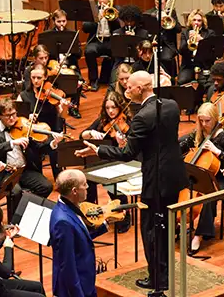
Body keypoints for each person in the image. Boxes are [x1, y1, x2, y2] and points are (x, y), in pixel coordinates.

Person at [75, 71, 188, 290]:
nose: (126, 89)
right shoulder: (172, 106)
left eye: (129, 87)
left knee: (151, 230)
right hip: (175, 175)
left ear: (140, 89)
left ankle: (158, 279)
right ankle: (164, 273)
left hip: (156, 180)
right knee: (165, 227)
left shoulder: (143, 117)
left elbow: (127, 153)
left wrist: (98, 150)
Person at [0, 98, 60, 214]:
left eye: (14, 114)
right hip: (4, 172)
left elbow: (37, 148)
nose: (12, 118)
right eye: (8, 115)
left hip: (23, 170)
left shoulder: (22, 125)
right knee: (16, 191)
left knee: (46, 186)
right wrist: (12, 143)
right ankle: (15, 220)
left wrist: (52, 144)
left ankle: (27, 210)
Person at [180, 102, 224, 252]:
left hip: (220, 179)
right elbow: (180, 146)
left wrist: (217, 152)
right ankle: (178, 223)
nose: (204, 124)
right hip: (199, 174)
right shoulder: (197, 133)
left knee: (208, 197)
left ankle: (199, 235)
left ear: (214, 118)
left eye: (208, 120)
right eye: (201, 120)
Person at [50, 169, 116, 297]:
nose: (87, 187)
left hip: (86, 281)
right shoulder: (62, 222)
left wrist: (105, 223)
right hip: (76, 287)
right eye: (84, 184)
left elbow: (81, 238)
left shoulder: (69, 207)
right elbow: (67, 265)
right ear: (74, 191)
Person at [80, 91, 132, 233]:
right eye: (107, 108)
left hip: (119, 163)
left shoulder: (128, 123)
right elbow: (82, 134)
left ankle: (123, 214)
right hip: (102, 161)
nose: (110, 111)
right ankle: (91, 215)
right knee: (87, 181)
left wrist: (122, 144)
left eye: (113, 107)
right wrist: (90, 133)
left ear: (120, 107)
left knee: (111, 184)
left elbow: (131, 150)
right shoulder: (102, 121)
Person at [18, 63, 68, 179]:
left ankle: (59, 177)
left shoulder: (52, 94)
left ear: (45, 77)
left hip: (51, 130)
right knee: (31, 148)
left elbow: (61, 116)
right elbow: (18, 119)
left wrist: (63, 106)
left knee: (56, 146)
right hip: (33, 133)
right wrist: (28, 117)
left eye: (39, 78)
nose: (36, 81)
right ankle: (38, 178)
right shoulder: (24, 95)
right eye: (33, 78)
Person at [83, 0, 121, 91]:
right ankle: (94, 80)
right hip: (96, 40)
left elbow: (119, 27)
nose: (101, 0)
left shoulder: (115, 9)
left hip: (110, 41)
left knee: (117, 51)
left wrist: (110, 18)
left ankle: (113, 80)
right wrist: (97, 19)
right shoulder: (92, 9)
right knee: (89, 51)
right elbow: (85, 28)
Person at [144, 0, 181, 76]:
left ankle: (169, 78)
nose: (159, 5)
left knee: (166, 58)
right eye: (157, 3)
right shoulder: (148, 13)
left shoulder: (171, 12)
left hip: (167, 44)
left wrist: (168, 17)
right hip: (153, 42)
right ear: (154, 0)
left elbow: (178, 29)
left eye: (162, 3)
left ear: (166, 2)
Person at [178, 9, 215, 87]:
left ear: (203, 22)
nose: (196, 23)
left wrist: (201, 40)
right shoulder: (185, 32)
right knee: (182, 81)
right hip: (188, 64)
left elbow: (212, 52)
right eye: (194, 20)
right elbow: (181, 51)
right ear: (191, 21)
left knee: (205, 83)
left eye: (199, 20)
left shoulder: (210, 33)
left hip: (204, 65)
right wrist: (188, 42)